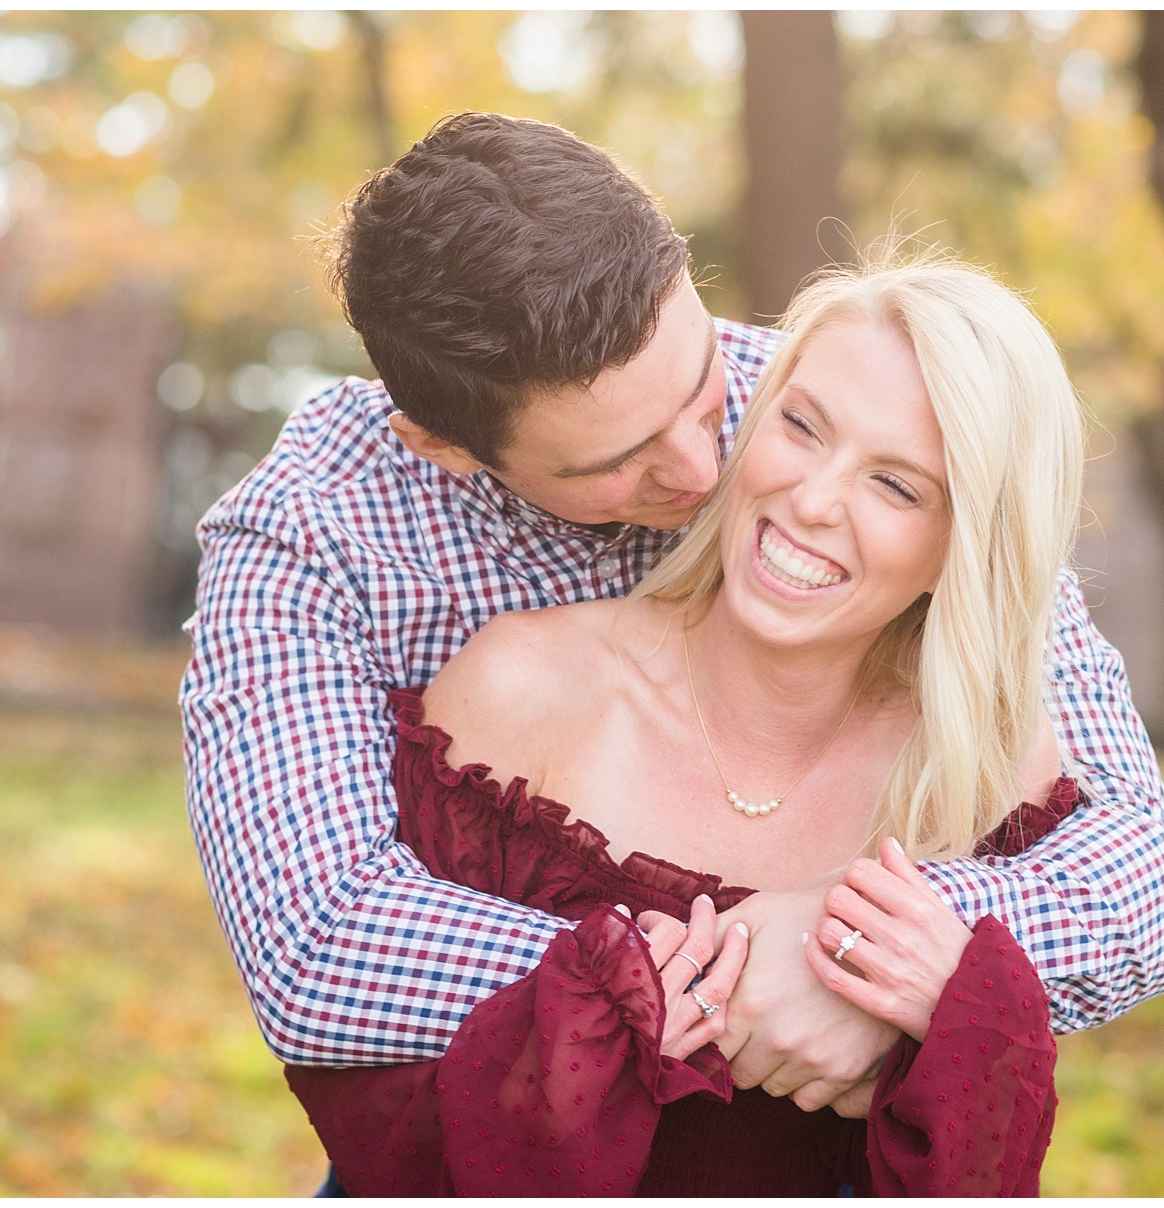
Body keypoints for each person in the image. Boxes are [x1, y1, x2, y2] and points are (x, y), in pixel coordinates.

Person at [180, 113, 1164, 1125]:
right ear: (448, 448)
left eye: (703, 388)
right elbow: (317, 947)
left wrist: (875, 960)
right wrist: (721, 990)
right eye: (614, 463)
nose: (705, 469)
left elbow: (1147, 875)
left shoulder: (830, 403)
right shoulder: (312, 534)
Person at [287, 254, 1087, 1195]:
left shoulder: (988, 769)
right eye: (801, 426)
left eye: (897, 486)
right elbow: (376, 1108)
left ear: (964, 549)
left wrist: (945, 998)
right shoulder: (521, 693)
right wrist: (620, 1002)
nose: (813, 500)